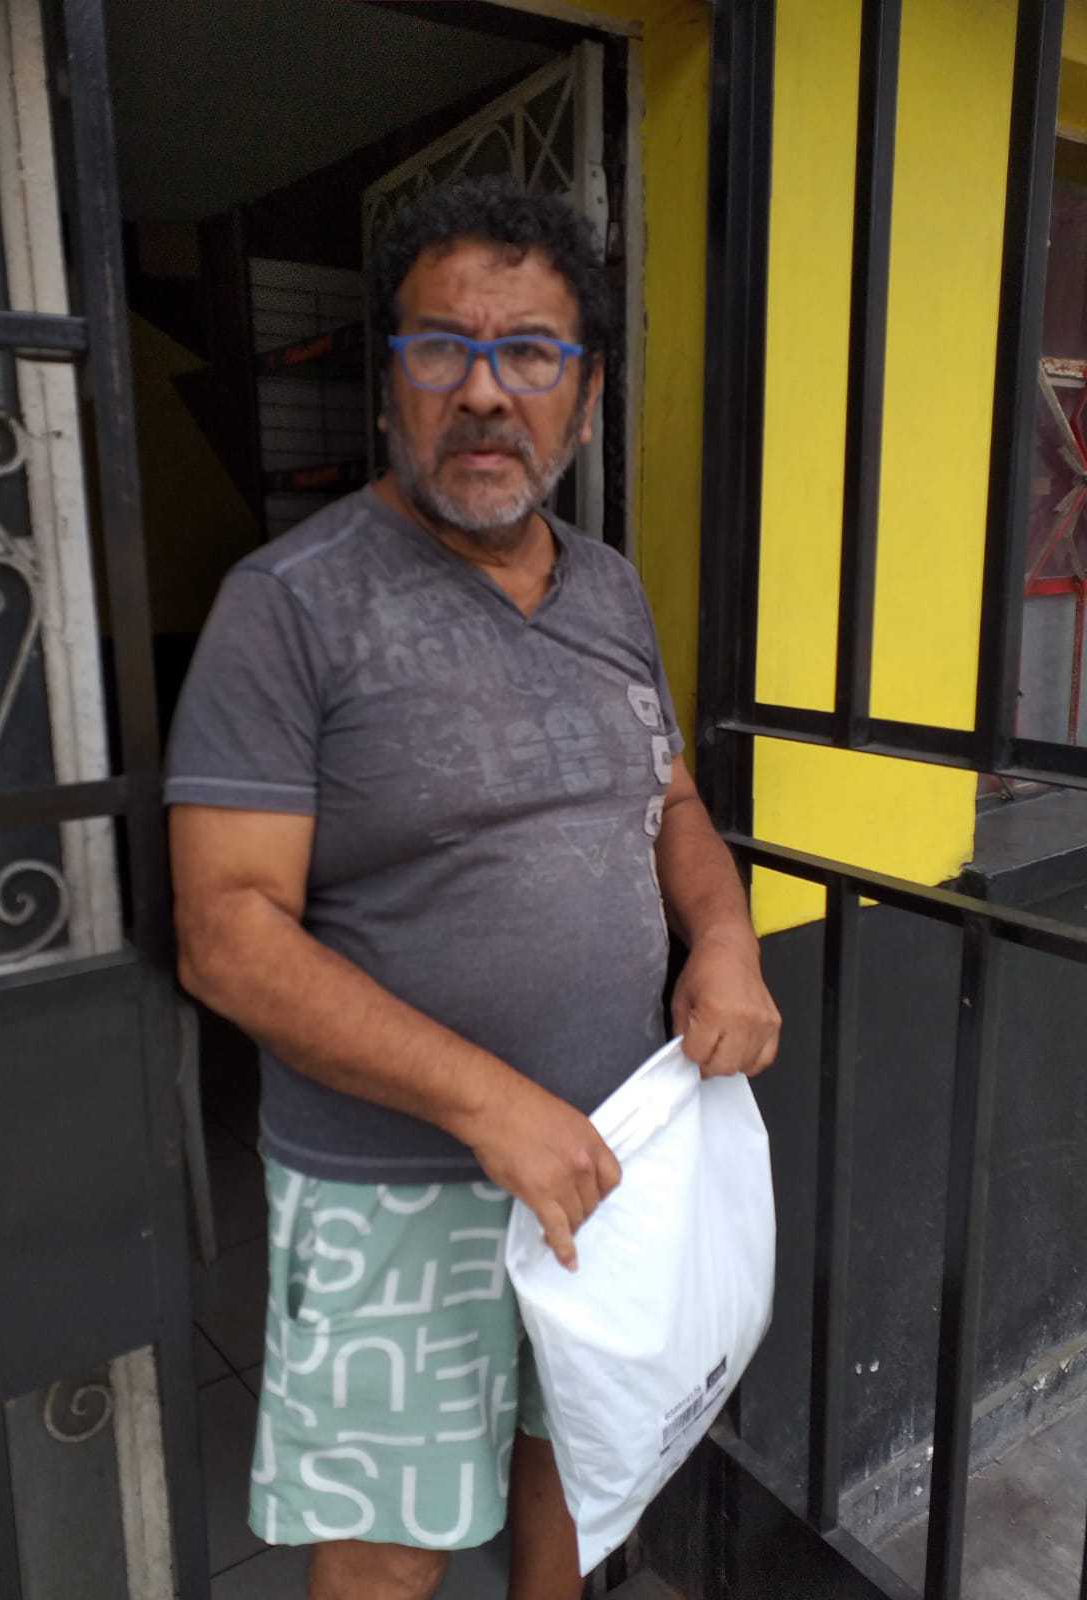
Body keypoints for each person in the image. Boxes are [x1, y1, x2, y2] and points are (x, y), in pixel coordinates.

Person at [166, 176, 780, 1600]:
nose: (486, 391)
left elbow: (673, 803)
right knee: (390, 1554)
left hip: (612, 1156)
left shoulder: (611, 590)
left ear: (588, 394)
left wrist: (726, 933)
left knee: (572, 1472)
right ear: (393, 383)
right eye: (443, 346)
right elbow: (225, 936)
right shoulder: (290, 604)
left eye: (532, 353)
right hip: (393, 1190)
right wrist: (492, 1107)